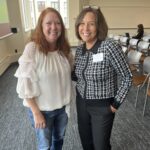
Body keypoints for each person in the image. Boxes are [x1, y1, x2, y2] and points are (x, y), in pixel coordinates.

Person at [72, 6, 132, 150]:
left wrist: (115, 105)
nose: (85, 28)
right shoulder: (80, 50)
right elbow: (78, 76)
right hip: (81, 103)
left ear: (99, 26)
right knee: (86, 143)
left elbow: (127, 77)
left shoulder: (110, 46)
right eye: (82, 23)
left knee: (100, 146)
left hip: (102, 106)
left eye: (91, 23)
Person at [15, 7, 73, 150]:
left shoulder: (64, 50)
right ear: (41, 26)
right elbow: (24, 85)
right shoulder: (32, 49)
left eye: (58, 23)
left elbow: (71, 72)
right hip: (42, 111)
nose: (54, 27)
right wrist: (36, 113)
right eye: (49, 23)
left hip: (62, 109)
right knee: (45, 146)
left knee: (59, 140)